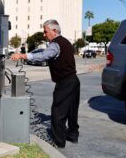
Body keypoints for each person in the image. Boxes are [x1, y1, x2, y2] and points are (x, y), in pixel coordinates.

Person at [11, 20, 80, 148]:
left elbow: (44, 55)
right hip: (74, 80)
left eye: (45, 31)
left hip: (65, 82)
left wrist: (22, 55)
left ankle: (58, 141)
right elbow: (42, 52)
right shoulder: (65, 42)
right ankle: (72, 134)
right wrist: (30, 54)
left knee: (58, 111)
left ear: (54, 31)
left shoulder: (55, 44)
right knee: (71, 110)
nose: (44, 34)